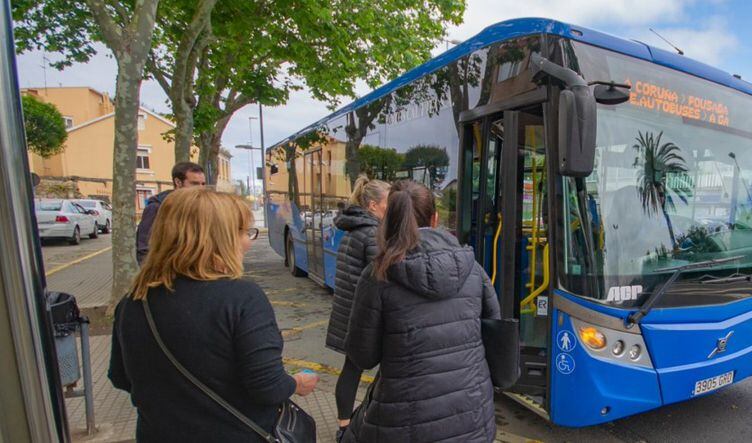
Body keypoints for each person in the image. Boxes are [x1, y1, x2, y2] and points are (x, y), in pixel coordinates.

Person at [109, 187, 317, 442]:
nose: (248, 242)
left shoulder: (133, 302)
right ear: (217, 239)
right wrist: (297, 383)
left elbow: (120, 377)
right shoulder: (241, 299)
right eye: (242, 232)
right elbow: (268, 388)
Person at [340, 181, 499, 443]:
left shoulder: (378, 276)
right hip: (473, 418)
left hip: (402, 423)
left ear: (389, 220)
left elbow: (362, 356)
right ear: (435, 218)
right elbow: (494, 336)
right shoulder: (474, 269)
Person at [325, 175, 389, 435]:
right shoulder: (372, 234)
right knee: (382, 370)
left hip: (348, 313)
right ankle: (357, 424)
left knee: (351, 369)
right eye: (388, 203)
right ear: (373, 206)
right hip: (363, 318)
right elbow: (383, 278)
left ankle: (344, 425)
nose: (392, 209)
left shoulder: (353, 230)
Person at [136, 162, 206, 264]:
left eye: (203, 184)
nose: (200, 188)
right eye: (194, 184)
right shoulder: (157, 208)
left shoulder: (201, 207)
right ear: (178, 182)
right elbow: (144, 249)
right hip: (167, 274)